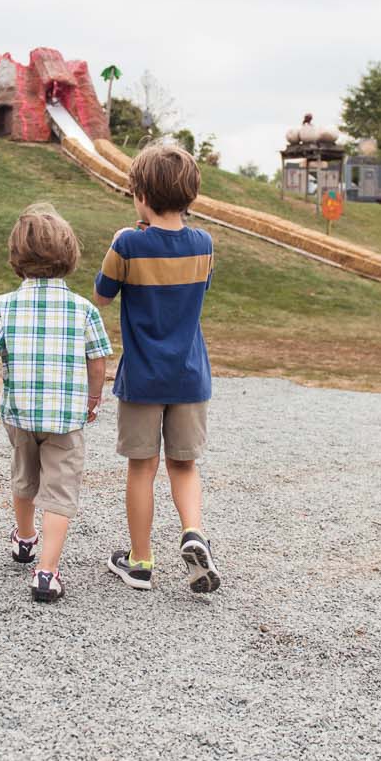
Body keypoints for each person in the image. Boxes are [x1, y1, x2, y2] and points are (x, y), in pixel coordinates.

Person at [0, 205, 112, 603]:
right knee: (60, 489)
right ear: (69, 256)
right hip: (66, 418)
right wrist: (93, 397)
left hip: (20, 414)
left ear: (17, 258)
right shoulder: (83, 309)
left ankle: (24, 539)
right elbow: (98, 360)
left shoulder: (5, 305)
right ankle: (47, 572)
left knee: (25, 476)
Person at [92, 143, 221, 595]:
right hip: (190, 375)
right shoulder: (203, 244)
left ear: (141, 195)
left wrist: (120, 240)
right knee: (183, 466)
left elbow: (103, 294)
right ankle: (193, 533)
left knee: (141, 468)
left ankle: (141, 560)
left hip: (144, 377)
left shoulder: (128, 243)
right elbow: (200, 287)